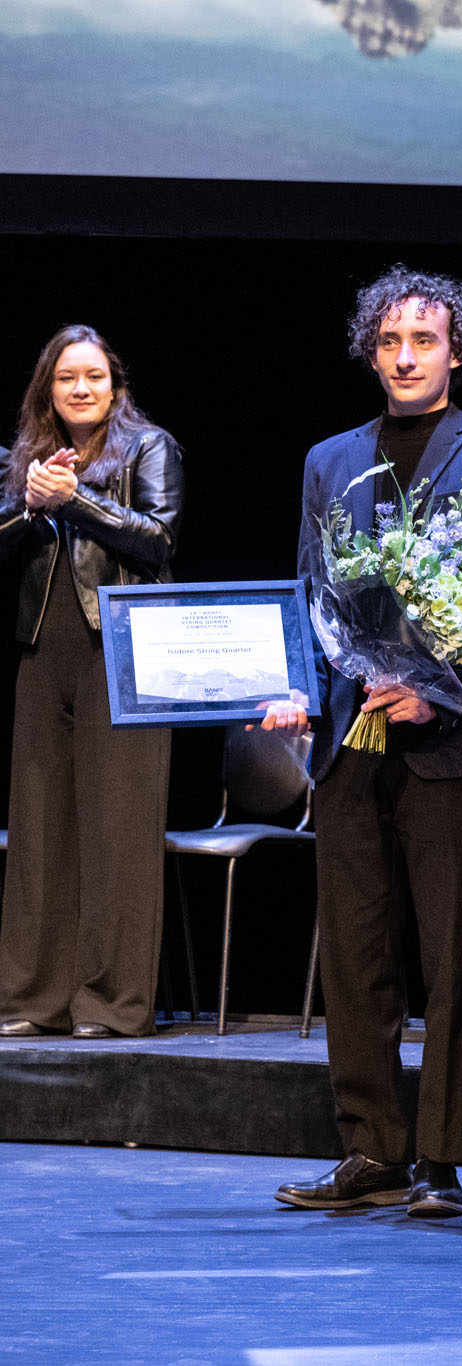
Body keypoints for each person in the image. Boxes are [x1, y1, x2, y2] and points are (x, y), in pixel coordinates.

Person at [270, 267, 462, 1219]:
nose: (404, 357)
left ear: (454, 351)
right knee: (355, 952)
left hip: (451, 748)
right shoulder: (329, 459)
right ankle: (370, 1149)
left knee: (452, 955)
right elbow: (310, 598)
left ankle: (440, 1156)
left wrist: (439, 693)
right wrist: (299, 692)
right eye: (389, 342)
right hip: (355, 740)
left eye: (422, 341)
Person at [0, 326, 182, 1040]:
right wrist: (34, 503)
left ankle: (110, 1002)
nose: (81, 388)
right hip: (44, 653)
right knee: (39, 830)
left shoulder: (149, 447)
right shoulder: (24, 461)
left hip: (126, 652)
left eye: (95, 377)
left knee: (119, 830)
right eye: (66, 378)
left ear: (117, 386)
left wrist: (74, 500)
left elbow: (160, 539)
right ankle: (30, 999)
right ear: (47, 389)